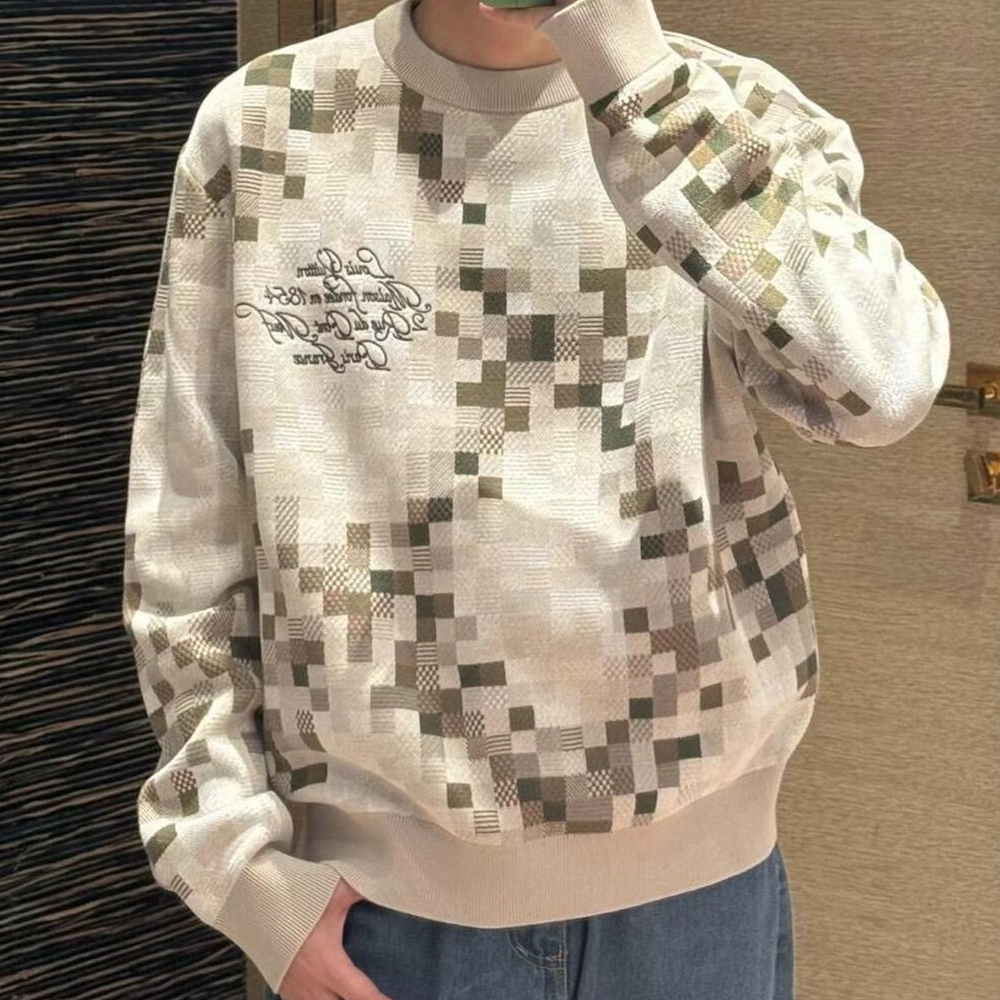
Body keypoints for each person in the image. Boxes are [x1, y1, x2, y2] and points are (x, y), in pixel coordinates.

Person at [121, 0, 950, 998]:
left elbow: (883, 383)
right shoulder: (265, 124)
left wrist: (637, 81)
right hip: (386, 909)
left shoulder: (729, 112)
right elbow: (190, 525)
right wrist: (237, 870)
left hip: (700, 904)